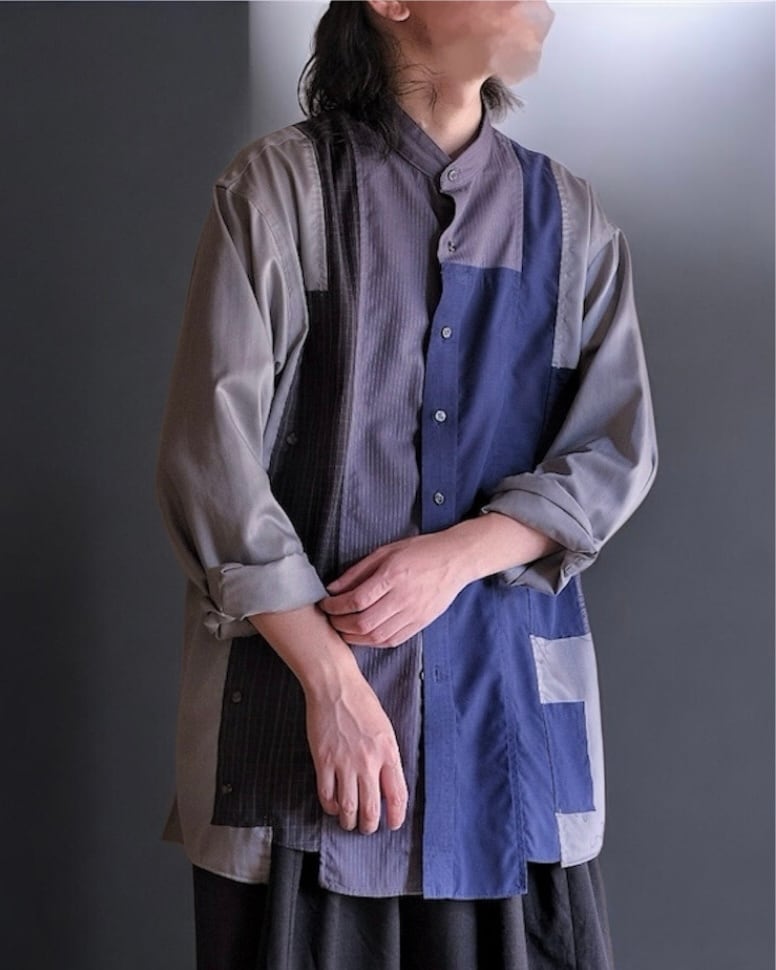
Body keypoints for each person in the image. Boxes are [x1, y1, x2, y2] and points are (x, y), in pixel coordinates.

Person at [156, 2, 657, 968]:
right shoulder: (280, 192)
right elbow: (208, 460)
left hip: (509, 745)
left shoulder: (570, 220)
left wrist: (459, 554)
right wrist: (332, 682)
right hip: (301, 751)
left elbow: (614, 448)